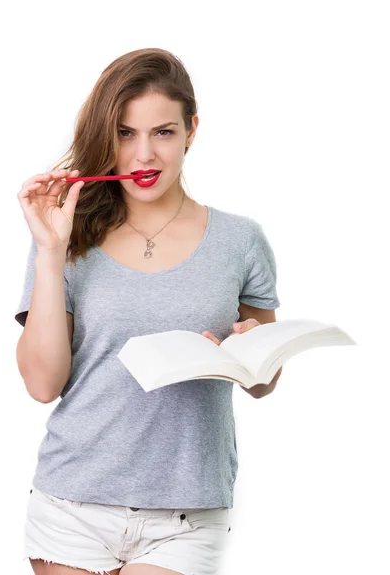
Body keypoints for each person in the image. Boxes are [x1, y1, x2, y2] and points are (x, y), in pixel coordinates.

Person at [15, 48, 282, 575]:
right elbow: (43, 385)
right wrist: (50, 252)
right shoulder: (65, 237)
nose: (144, 156)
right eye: (124, 133)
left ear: (191, 130)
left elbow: (263, 381)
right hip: (73, 504)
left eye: (163, 132)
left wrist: (247, 350)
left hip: (188, 510)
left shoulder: (241, 240)